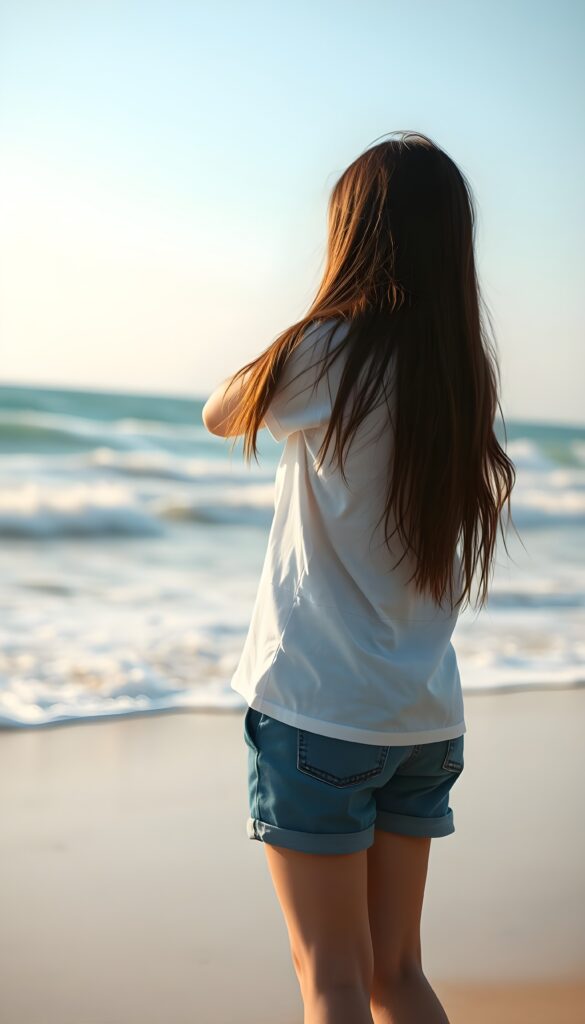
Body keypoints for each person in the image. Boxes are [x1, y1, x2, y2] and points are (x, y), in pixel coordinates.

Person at [202, 129, 517, 1024]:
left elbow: (220, 411)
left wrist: (312, 318)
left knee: (331, 981)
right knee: (397, 975)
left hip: (318, 714)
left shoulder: (328, 348)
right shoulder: (459, 377)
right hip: (420, 721)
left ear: (354, 239)